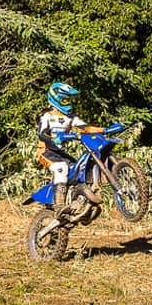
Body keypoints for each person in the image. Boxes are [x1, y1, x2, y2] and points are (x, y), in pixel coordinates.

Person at [36, 81, 104, 216]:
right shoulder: (47, 116)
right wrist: (53, 138)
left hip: (60, 153)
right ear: (56, 98)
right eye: (65, 99)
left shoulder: (70, 117)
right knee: (61, 168)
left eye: (69, 99)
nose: (68, 102)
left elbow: (86, 128)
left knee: (79, 169)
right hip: (45, 152)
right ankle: (59, 205)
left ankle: (80, 202)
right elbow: (42, 133)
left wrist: (105, 130)